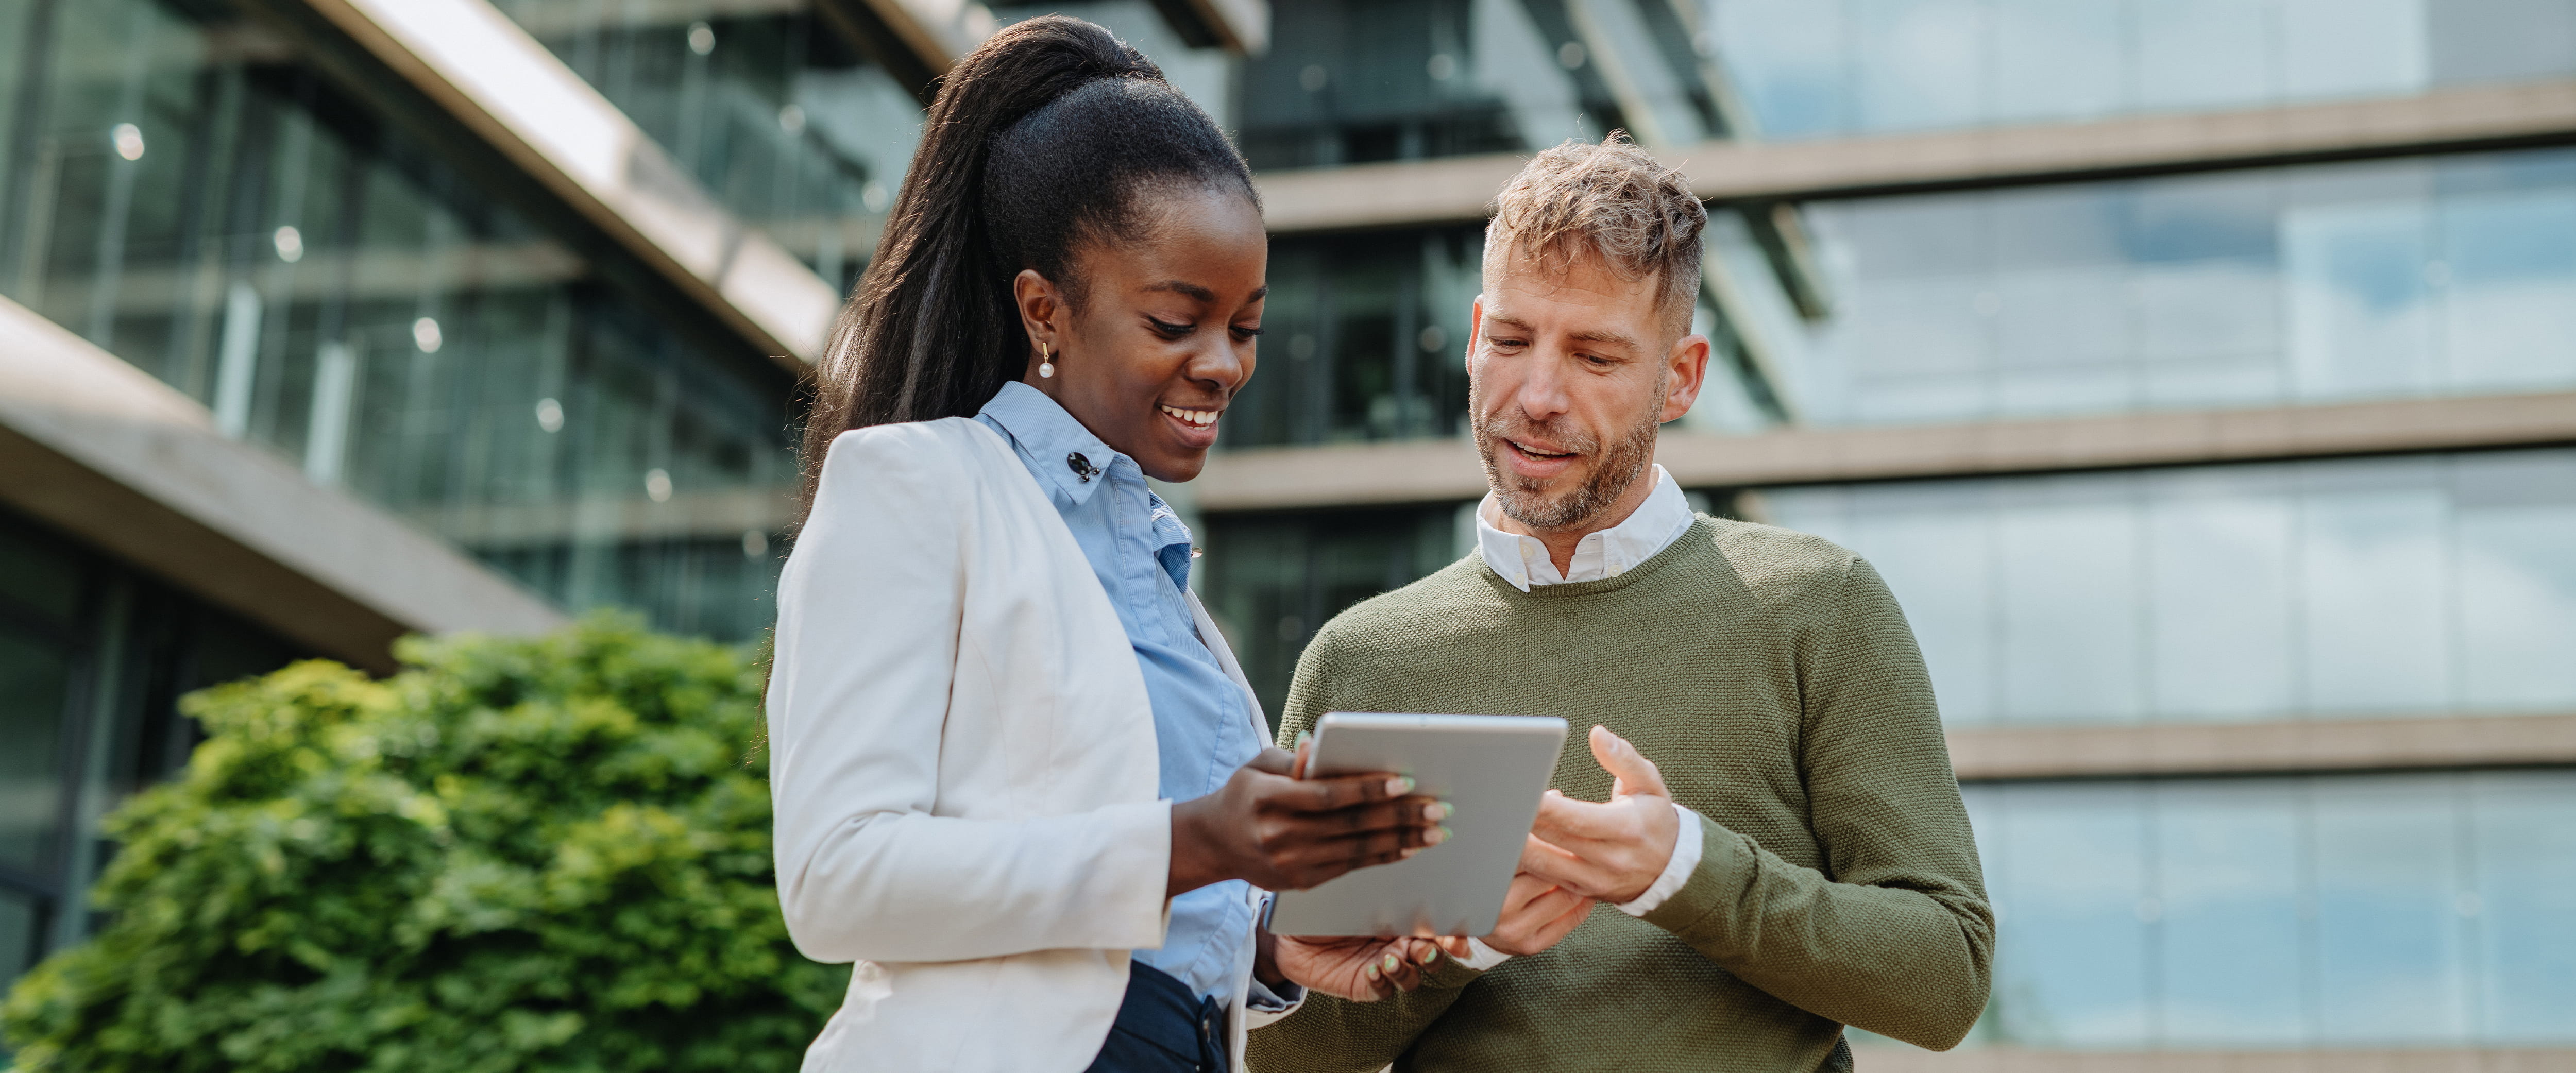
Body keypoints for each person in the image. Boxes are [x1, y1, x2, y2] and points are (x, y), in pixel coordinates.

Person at [765, 18, 1585, 1073]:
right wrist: (1196, 841)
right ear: (1045, 310)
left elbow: (1139, 926)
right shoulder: (917, 485)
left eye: (1244, 327)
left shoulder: (1162, 579)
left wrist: (1274, 947)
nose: (1224, 365)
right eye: (1173, 322)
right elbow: (834, 879)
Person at [1246, 137, 1994, 1072]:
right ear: (1473, 337)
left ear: (1681, 377)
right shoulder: (1360, 660)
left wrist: (1683, 871)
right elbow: (1283, 1049)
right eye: (1510, 341)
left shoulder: (1819, 605)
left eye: (1595, 356)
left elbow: (1945, 978)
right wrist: (1461, 939)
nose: (1538, 395)